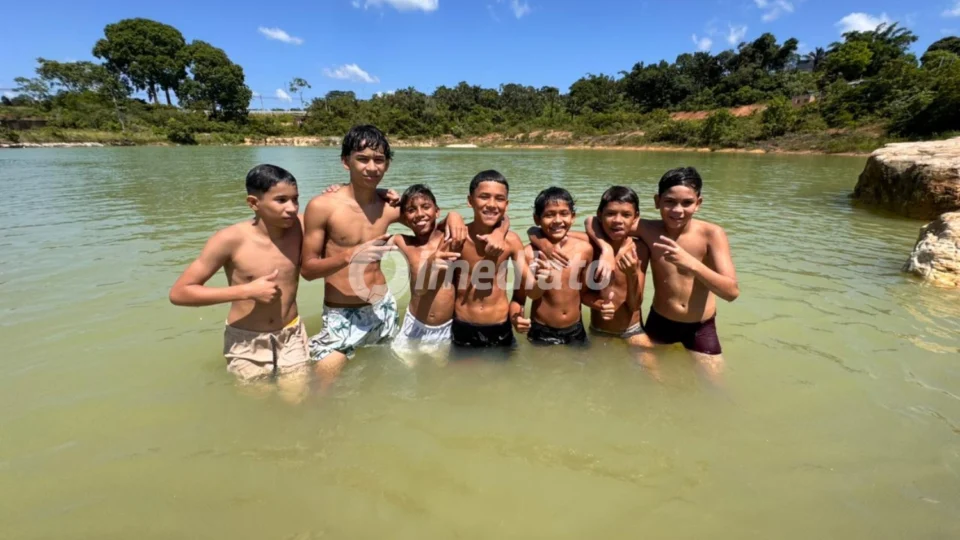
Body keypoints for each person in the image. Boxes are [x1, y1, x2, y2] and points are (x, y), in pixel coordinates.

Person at [300, 125, 467, 382]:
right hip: (341, 312)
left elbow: (426, 219)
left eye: (379, 160)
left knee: (380, 378)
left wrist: (455, 216)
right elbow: (308, 270)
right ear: (346, 161)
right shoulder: (322, 206)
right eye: (362, 159)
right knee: (324, 380)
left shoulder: (389, 208)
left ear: (387, 165)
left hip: (383, 309)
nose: (371, 167)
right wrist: (349, 255)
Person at [169, 164, 309, 401]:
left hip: (291, 334)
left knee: (297, 401)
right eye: (281, 200)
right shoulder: (230, 239)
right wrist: (247, 291)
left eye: (295, 199)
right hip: (247, 341)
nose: (292, 208)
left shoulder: (301, 227)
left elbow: (336, 211)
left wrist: (381, 195)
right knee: (257, 406)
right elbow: (180, 293)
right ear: (254, 203)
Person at [588, 167, 739, 378]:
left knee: (715, 386)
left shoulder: (712, 234)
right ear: (657, 201)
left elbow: (731, 292)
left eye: (687, 203)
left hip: (700, 327)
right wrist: (604, 248)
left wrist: (692, 264)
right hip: (660, 323)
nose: (677, 210)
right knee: (651, 379)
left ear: (698, 203)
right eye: (670, 202)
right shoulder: (648, 229)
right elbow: (594, 221)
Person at [451, 170, 532, 351]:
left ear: (507, 204)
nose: (491, 204)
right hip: (462, 325)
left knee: (504, 379)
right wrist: (453, 215)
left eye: (499, 198)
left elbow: (526, 291)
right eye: (484, 197)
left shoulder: (511, 241)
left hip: (500, 326)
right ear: (470, 200)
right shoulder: (458, 237)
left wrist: (516, 316)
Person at [511, 187, 593, 346]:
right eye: (549, 214)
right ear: (537, 219)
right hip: (542, 329)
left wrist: (602, 304)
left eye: (564, 213)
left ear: (573, 217)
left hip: (576, 328)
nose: (557, 220)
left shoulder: (585, 249)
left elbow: (584, 292)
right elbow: (518, 299)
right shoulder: (527, 254)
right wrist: (516, 318)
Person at [389, 184, 460, 365]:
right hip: (413, 326)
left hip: (445, 329)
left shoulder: (450, 239)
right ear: (404, 218)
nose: (419, 214)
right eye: (411, 210)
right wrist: (382, 194)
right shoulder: (403, 241)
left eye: (426, 207)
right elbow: (373, 222)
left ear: (437, 212)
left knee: (439, 377)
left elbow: (499, 221)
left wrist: (454, 215)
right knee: (405, 373)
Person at [581, 186, 648, 341]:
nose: (617, 220)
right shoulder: (591, 247)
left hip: (633, 329)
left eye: (626, 215)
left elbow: (635, 305)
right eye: (610, 214)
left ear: (636, 217)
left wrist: (631, 274)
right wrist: (599, 305)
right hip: (598, 330)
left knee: (651, 365)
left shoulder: (640, 249)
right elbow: (582, 295)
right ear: (600, 215)